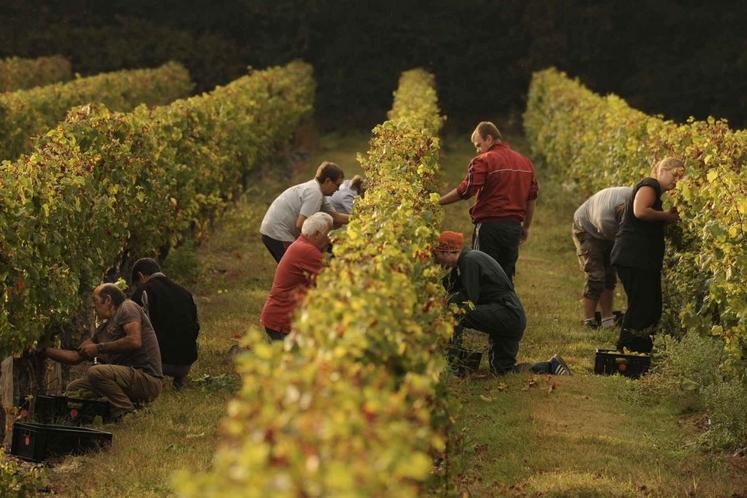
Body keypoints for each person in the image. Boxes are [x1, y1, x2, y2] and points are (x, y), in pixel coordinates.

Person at [434, 231, 570, 376]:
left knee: (455, 314)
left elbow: (469, 299)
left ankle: (451, 367)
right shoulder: (465, 261)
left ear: (447, 251)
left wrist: (445, 304)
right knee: (503, 371)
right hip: (510, 316)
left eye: (436, 256)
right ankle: (551, 366)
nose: (437, 262)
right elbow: (448, 287)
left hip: (507, 314)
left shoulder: (469, 260)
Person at [42, 284, 163, 418]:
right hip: (128, 379)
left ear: (108, 300)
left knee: (96, 372)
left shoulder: (127, 307)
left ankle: (127, 413)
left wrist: (99, 348)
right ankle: (107, 413)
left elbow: (134, 340)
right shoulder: (103, 329)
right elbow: (75, 357)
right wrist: (44, 351)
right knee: (74, 388)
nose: (93, 307)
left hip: (147, 379)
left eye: (95, 301)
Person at [439, 121, 538, 282]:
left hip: (489, 228)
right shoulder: (525, 163)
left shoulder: (483, 160)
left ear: (489, 139)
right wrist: (525, 227)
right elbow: (531, 198)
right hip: (513, 228)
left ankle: (483, 307)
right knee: (505, 277)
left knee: (482, 273)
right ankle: (505, 307)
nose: (477, 151)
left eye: (478, 145)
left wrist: (438, 201)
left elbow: (466, 190)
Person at [611, 157, 684, 353]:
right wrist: (666, 216)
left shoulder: (656, 193)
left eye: (680, 177)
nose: (676, 180)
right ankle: (626, 352)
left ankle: (639, 351)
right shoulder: (650, 184)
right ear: (662, 171)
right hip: (634, 258)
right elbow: (640, 211)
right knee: (642, 307)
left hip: (641, 260)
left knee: (651, 307)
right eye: (674, 174)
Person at [260, 212, 333, 341]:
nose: (330, 239)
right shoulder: (307, 251)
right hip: (283, 321)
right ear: (316, 234)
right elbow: (332, 280)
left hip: (280, 317)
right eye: (328, 234)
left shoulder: (301, 243)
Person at [130, 258, 199, 390]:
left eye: (137, 284)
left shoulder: (143, 292)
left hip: (158, 364)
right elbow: (195, 326)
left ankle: (149, 381)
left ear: (140, 276)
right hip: (186, 363)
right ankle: (180, 380)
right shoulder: (185, 293)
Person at [260, 161, 350, 263]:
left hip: (271, 230)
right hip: (278, 234)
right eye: (337, 185)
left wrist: (358, 218)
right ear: (328, 181)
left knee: (298, 268)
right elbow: (301, 225)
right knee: (298, 267)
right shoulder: (314, 194)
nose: (338, 189)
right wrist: (323, 242)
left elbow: (335, 216)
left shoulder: (317, 190)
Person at [572, 186, 632, 329]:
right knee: (596, 276)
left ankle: (607, 320)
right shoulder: (605, 219)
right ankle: (589, 321)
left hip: (605, 231)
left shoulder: (635, 198)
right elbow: (619, 242)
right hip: (586, 229)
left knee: (610, 276)